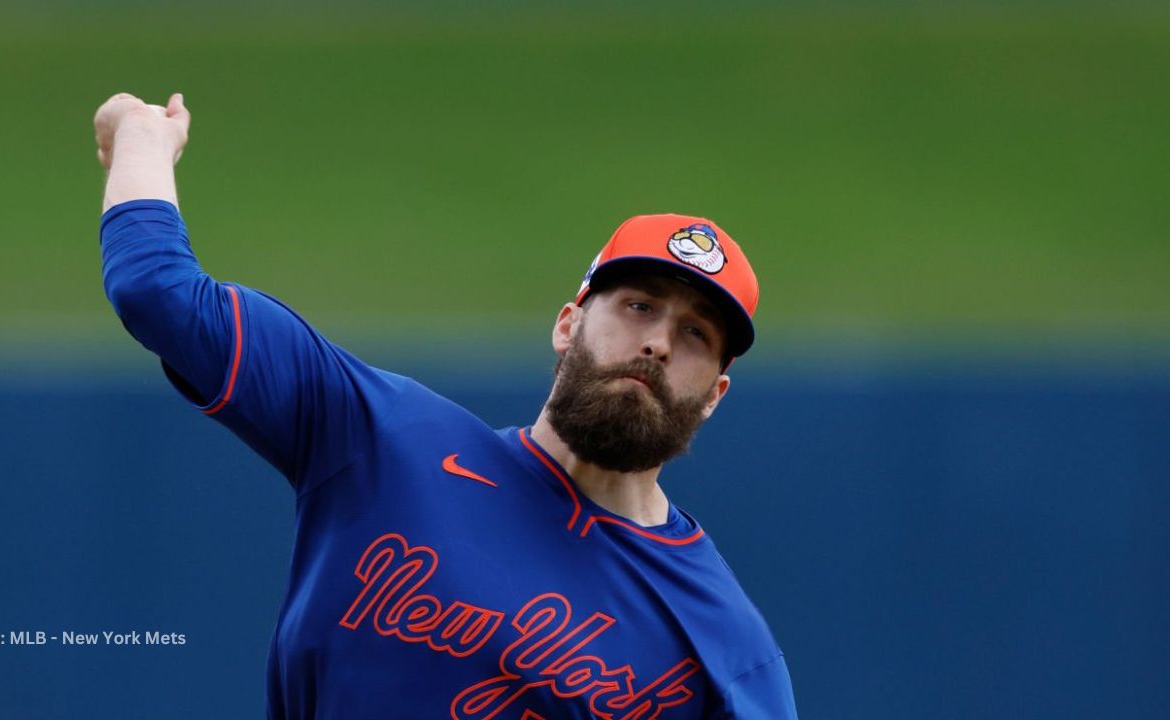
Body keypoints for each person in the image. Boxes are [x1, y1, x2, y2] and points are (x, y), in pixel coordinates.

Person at [94, 91, 798, 720]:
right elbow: (157, 293)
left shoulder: (723, 643)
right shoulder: (380, 438)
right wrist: (142, 139)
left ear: (714, 395)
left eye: (695, 335)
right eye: (638, 305)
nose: (657, 343)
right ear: (568, 322)